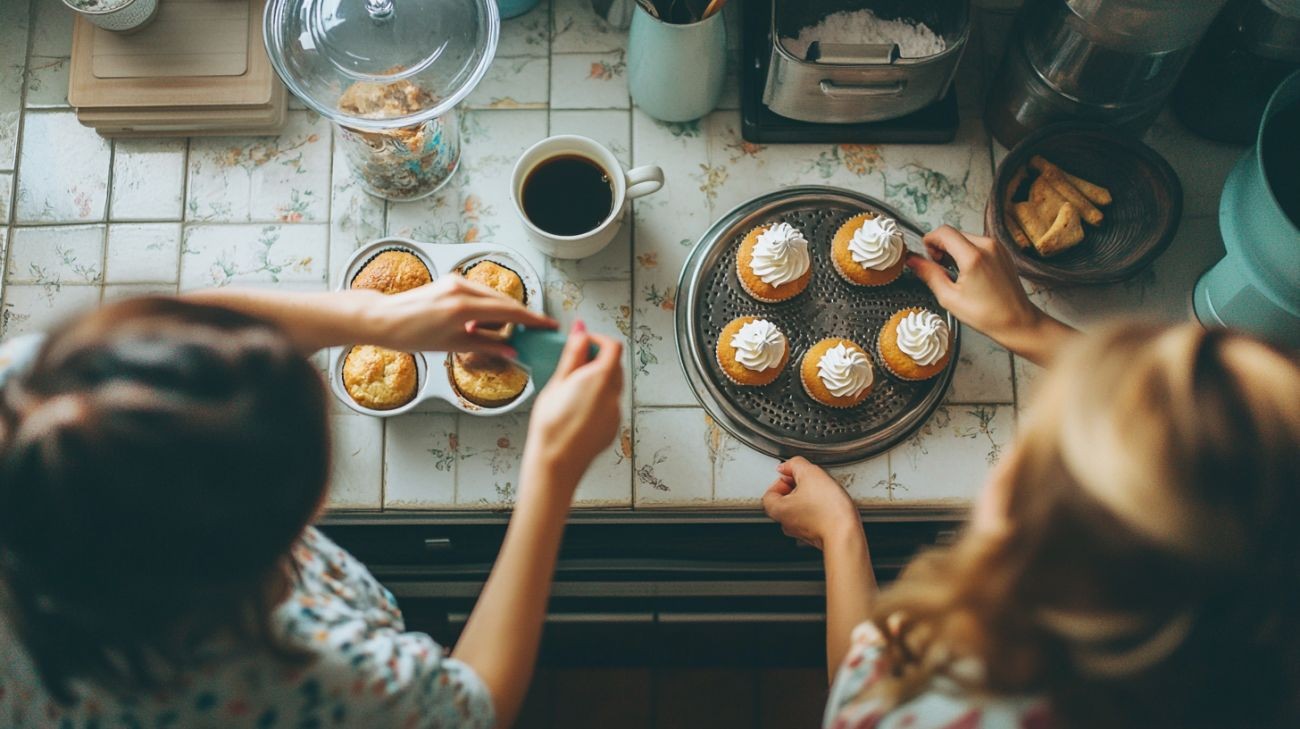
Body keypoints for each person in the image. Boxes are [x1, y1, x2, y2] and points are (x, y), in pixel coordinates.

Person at [0, 276, 624, 728]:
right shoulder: (300, 679)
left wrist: (367, 316)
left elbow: (171, 338)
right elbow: (472, 706)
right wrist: (551, 472)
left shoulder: (38, 398)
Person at [763, 227, 1300, 729]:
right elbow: (1207, 438)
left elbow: (861, 693)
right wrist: (1029, 326)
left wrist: (839, 533)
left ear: (1021, 521)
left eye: (1031, 446)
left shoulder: (960, 700)